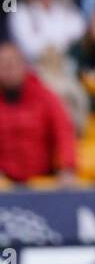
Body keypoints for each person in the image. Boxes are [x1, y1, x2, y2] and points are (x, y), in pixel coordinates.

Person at [0, 40, 76, 184]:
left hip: (41, 178)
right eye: (3, 65)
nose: (8, 69)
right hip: (4, 180)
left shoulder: (44, 96)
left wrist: (67, 167)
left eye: (13, 64)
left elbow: (64, 132)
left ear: (24, 66)